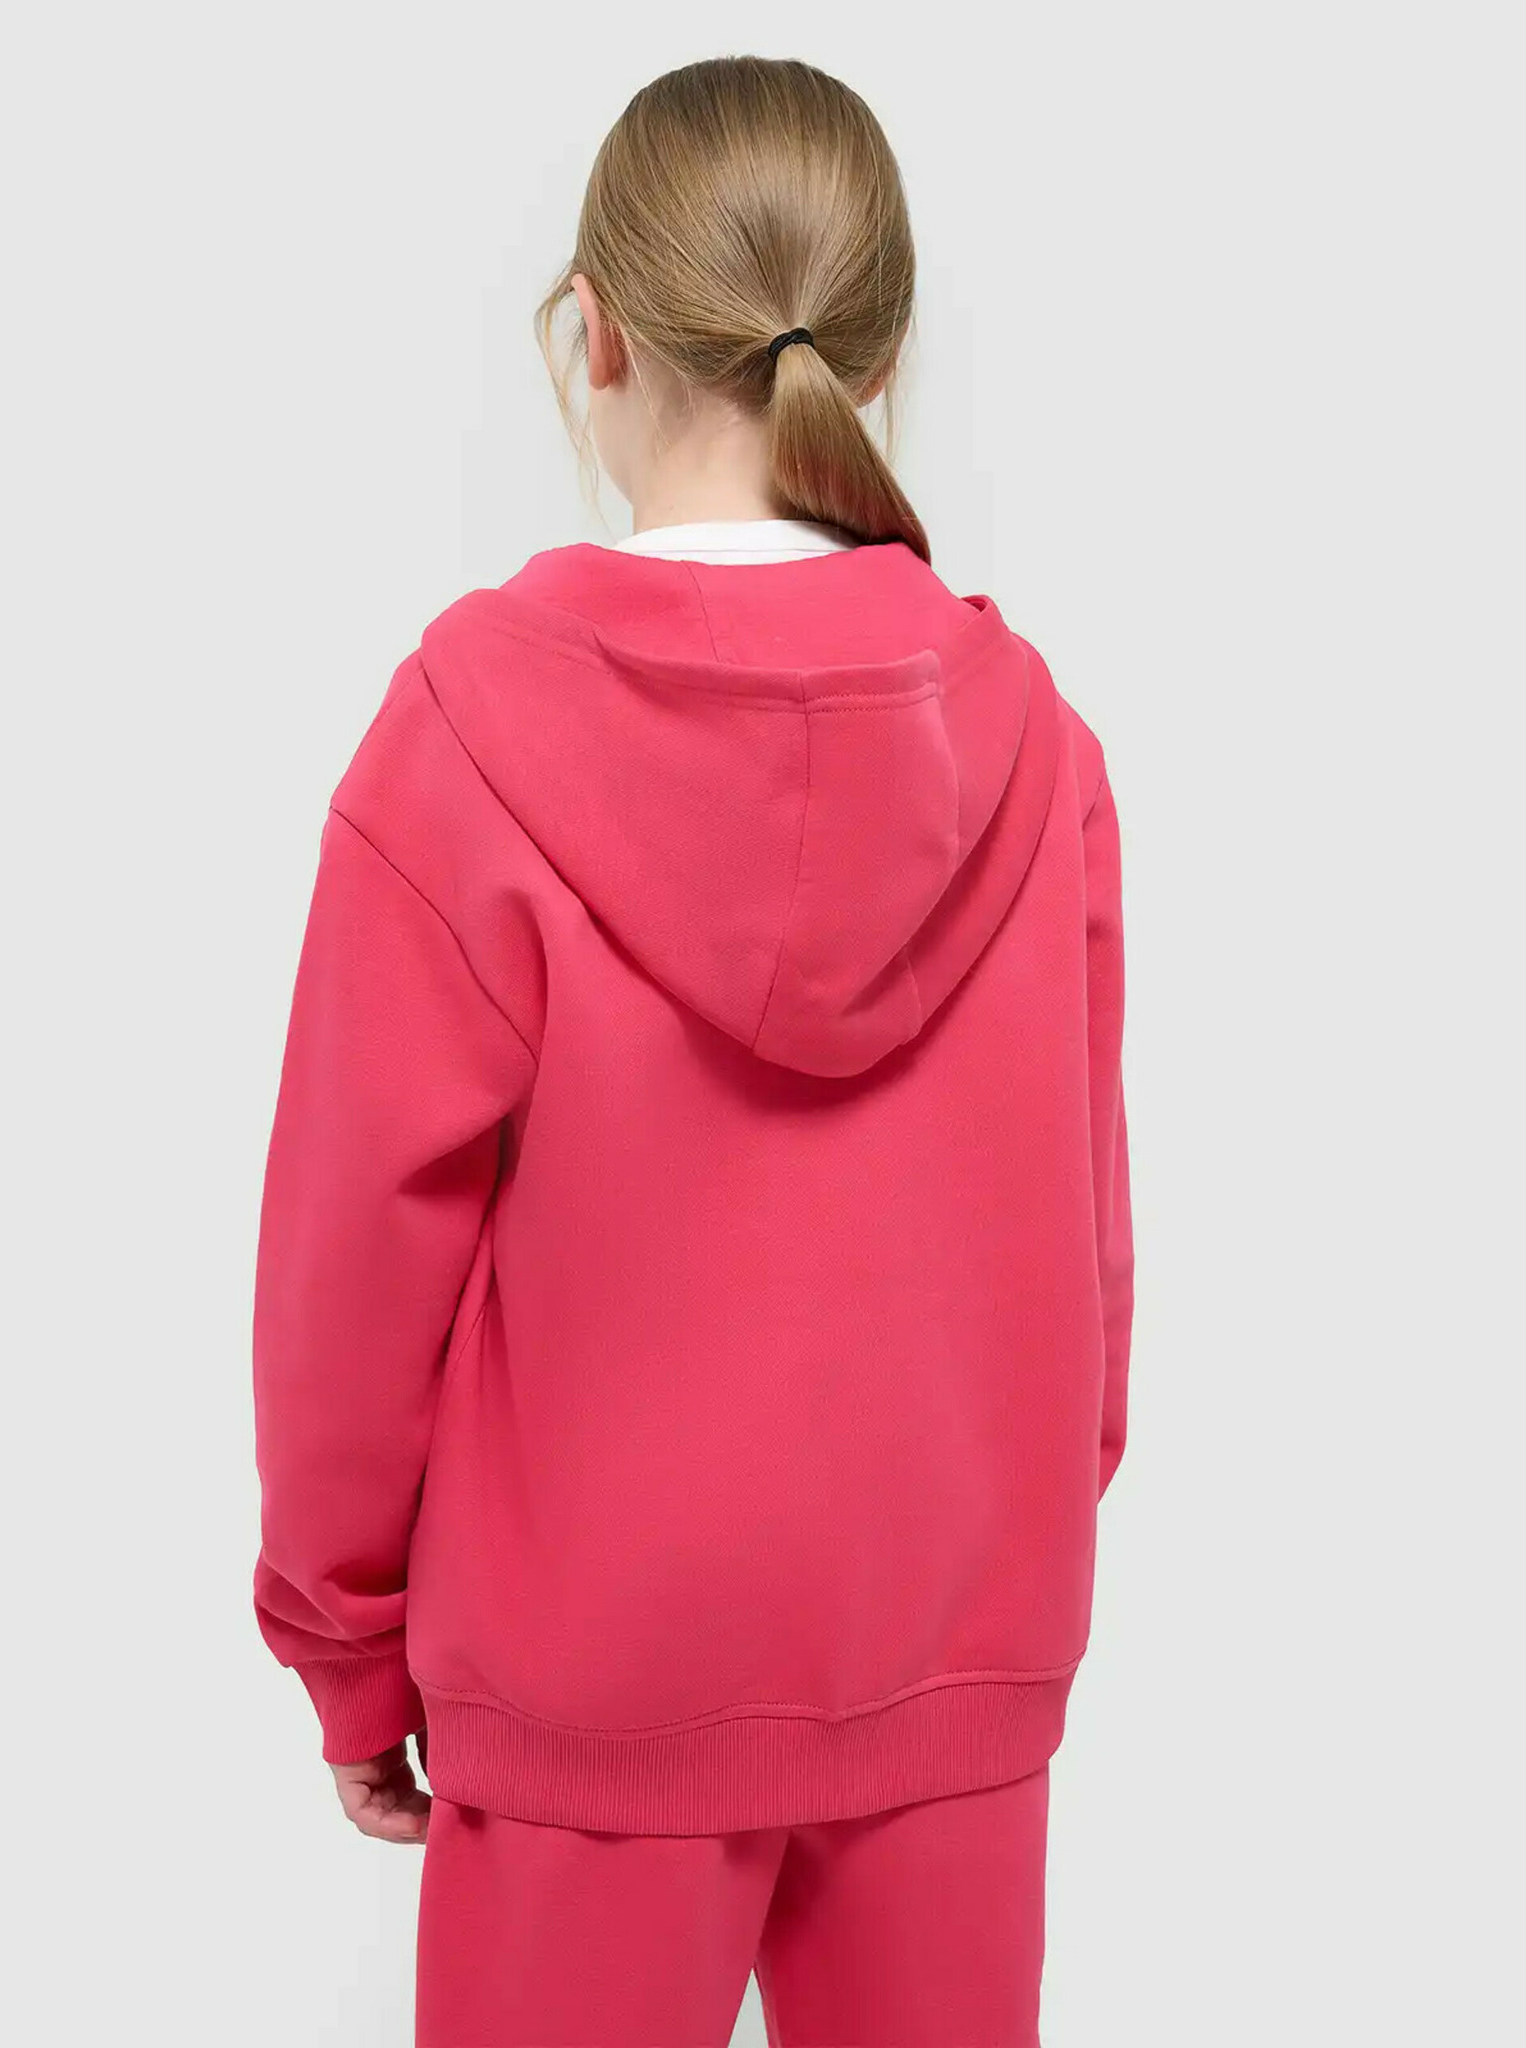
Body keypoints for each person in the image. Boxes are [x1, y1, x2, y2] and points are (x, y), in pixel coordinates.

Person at [251, 52, 1134, 2048]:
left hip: (591, 1684)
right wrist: (992, 1565)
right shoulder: (1038, 745)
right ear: (879, 357)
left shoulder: (463, 738)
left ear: (595, 332)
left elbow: (350, 1261)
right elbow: (1086, 1256)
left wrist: (347, 1641)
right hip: (949, 1656)